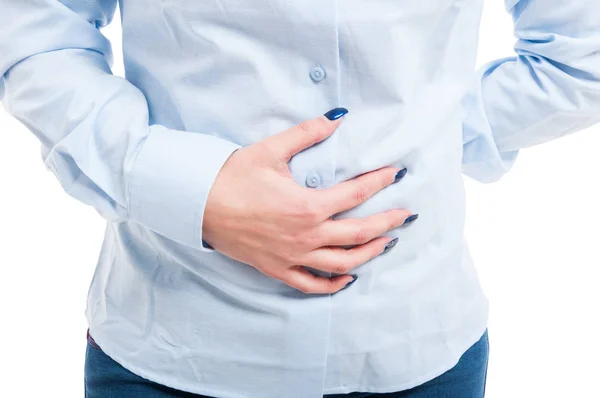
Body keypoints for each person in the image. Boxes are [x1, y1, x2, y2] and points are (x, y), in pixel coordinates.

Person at [1, 0, 599, 397]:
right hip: (172, 345)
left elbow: (583, 50)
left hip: (416, 343)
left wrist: (423, 145)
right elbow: (34, 32)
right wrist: (190, 187)